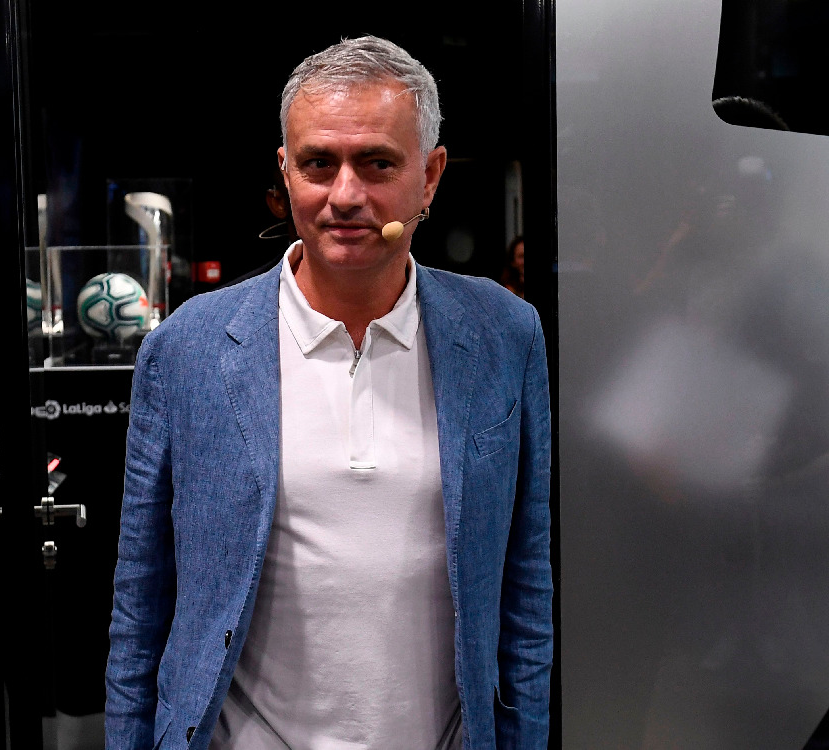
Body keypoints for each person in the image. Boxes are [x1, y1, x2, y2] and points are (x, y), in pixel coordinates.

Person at [105, 35, 553, 750]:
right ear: (286, 173)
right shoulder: (188, 349)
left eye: (378, 163)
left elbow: (526, 587)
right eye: (319, 163)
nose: (345, 195)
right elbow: (140, 602)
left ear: (430, 176)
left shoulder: (503, 334)